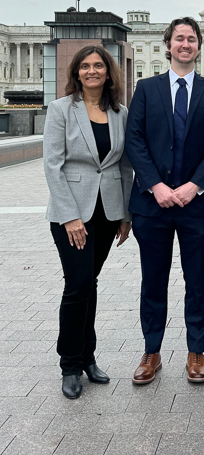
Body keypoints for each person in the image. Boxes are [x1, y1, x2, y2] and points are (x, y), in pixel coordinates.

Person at [125, 17, 204, 385]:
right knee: (153, 280)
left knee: (197, 280)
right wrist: (155, 185)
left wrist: (194, 185)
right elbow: (134, 138)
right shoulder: (146, 88)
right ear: (168, 44)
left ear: (199, 46)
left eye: (191, 39)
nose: (185, 44)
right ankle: (151, 351)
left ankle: (196, 351)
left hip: (197, 205)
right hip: (152, 205)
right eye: (179, 39)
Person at [44, 46, 132, 399]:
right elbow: (52, 165)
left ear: (109, 73)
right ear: (76, 73)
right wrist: (70, 216)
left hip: (107, 212)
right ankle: (69, 363)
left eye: (98, 65)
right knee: (78, 283)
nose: (92, 71)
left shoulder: (119, 112)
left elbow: (124, 166)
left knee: (90, 283)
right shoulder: (61, 109)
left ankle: (88, 357)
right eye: (85, 66)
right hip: (72, 214)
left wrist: (125, 215)